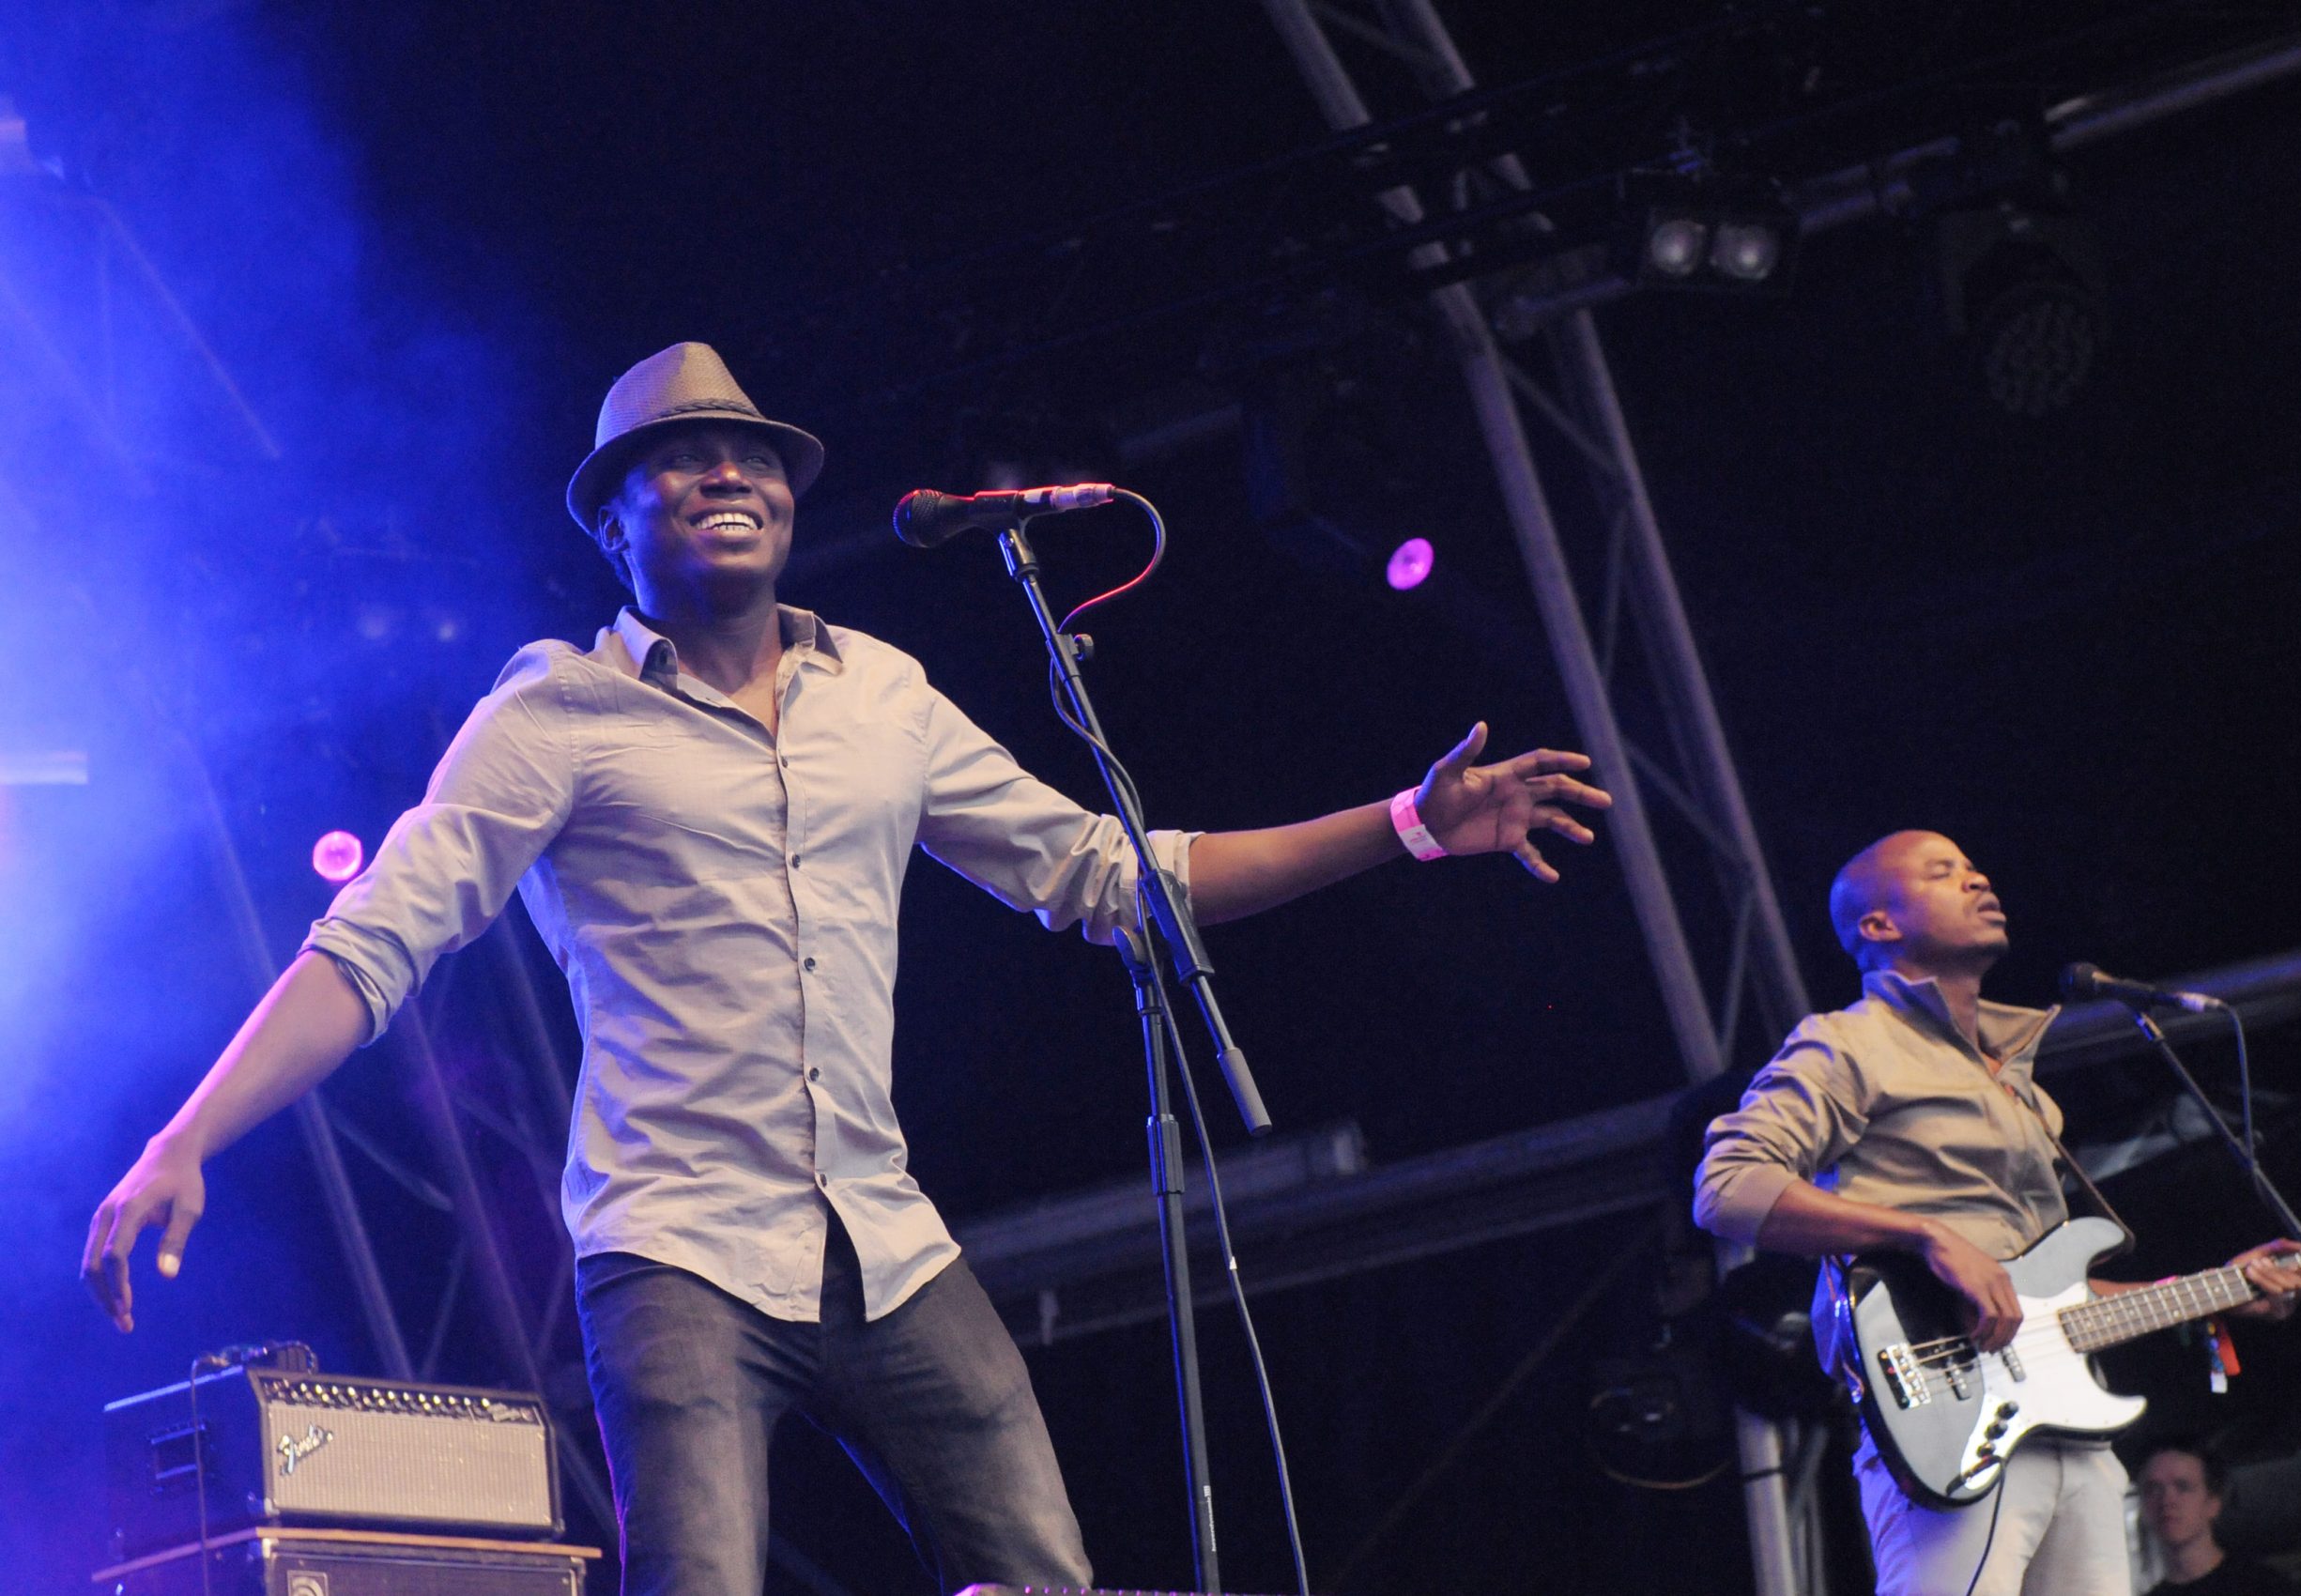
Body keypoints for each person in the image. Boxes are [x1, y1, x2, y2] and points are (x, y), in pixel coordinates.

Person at [81, 343, 1614, 1596]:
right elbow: (376, 947)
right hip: (675, 1253)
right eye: (682, 459)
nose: (728, 473)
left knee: (1047, 1584)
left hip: (886, 1243)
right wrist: (187, 1136)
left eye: (751, 454)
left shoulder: (880, 693)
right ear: (615, 522)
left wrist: (1409, 826)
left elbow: (1110, 875)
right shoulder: (552, 718)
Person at [1692, 830, 2301, 1596]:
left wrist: (2219, 1290)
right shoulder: (1847, 1044)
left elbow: (2042, 1302)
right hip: (1949, 1431)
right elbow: (1726, 1186)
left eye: (1973, 866)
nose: (1978, 878)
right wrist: (1925, 1235)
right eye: (1942, 872)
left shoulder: (2020, 1087)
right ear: (1877, 926)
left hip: (2072, 1435)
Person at [2135, 1438, 2293, 1594]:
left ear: (2213, 1503)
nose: (2167, 1500)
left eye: (2183, 1487)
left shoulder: (2265, 1587)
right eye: (2153, 1489)